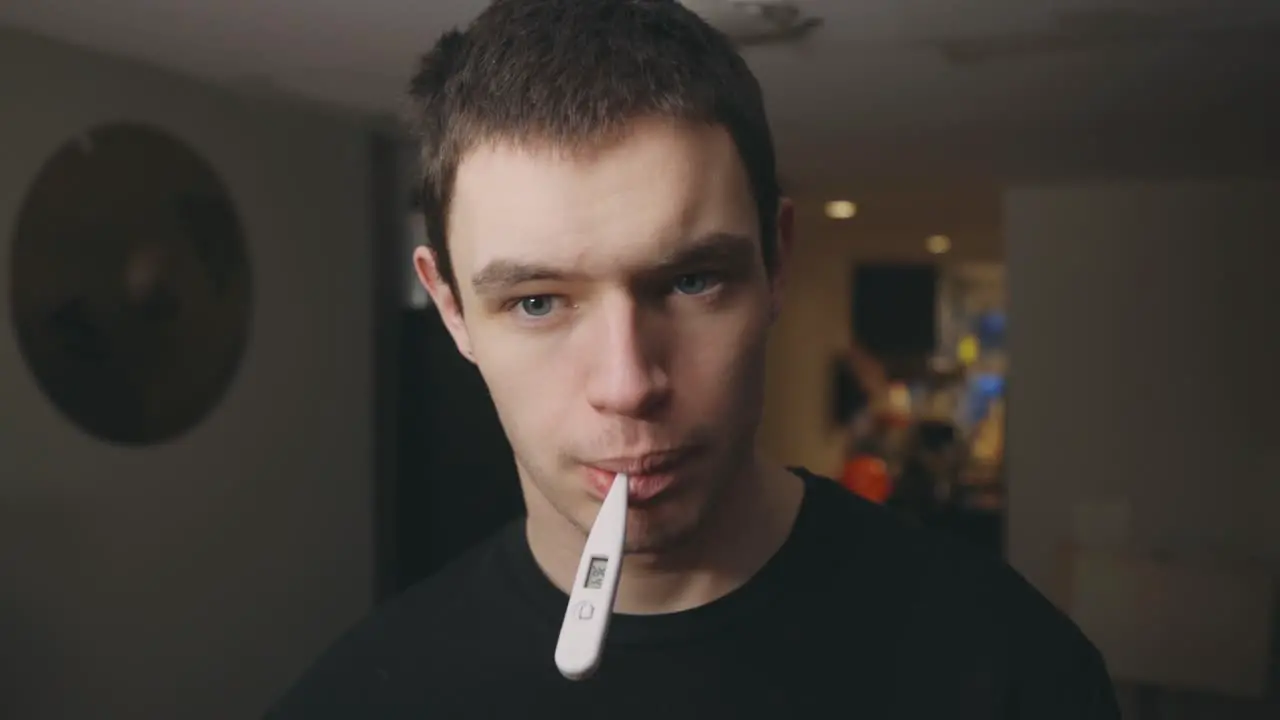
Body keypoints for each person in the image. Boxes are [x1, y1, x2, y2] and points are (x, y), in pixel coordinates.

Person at [265, 1, 1120, 717]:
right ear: (451, 308)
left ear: (776, 262)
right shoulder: (354, 701)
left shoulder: (1013, 669)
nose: (628, 384)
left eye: (692, 280)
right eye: (536, 301)